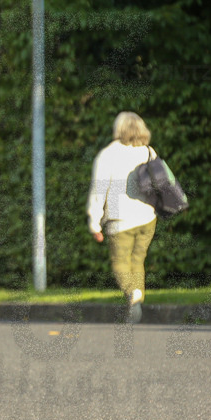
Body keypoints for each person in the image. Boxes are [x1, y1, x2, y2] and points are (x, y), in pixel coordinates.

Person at [86, 111, 159, 323]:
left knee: (120, 263)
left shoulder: (108, 154)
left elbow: (99, 190)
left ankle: (133, 293)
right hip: (147, 215)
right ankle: (136, 298)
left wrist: (94, 222)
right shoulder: (148, 152)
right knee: (137, 261)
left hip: (120, 218)